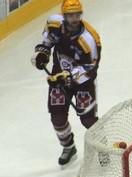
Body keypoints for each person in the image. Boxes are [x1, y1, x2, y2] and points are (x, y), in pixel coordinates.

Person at [31, 0, 101, 166]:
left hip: (83, 82)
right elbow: (48, 40)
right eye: (71, 15)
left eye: (77, 14)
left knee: (88, 120)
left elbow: (91, 67)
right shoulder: (54, 23)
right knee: (58, 116)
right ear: (64, 15)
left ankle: (103, 147)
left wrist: (70, 76)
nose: (75, 18)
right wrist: (43, 52)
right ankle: (69, 147)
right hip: (58, 78)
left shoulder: (89, 39)